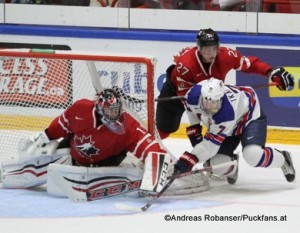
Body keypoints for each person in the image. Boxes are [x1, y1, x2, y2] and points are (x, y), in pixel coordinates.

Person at [0, 88, 207, 198]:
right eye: (109, 111)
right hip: (75, 152)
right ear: (99, 108)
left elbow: (149, 145)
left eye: (116, 110)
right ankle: (10, 173)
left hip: (105, 162)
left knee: (131, 168)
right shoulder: (81, 109)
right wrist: (44, 137)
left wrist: (158, 168)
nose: (114, 115)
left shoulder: (128, 126)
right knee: (42, 160)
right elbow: (60, 126)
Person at [156, 28, 295, 146]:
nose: (211, 53)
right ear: (198, 48)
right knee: (164, 129)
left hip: (210, 97)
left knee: (219, 128)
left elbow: (249, 64)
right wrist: (194, 126)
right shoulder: (185, 65)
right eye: (207, 50)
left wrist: (270, 71)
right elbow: (187, 99)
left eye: (214, 48)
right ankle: (148, 152)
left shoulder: (226, 56)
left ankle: (225, 158)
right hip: (175, 94)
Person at [174, 78, 295, 184]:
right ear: (201, 97)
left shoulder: (226, 113)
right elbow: (191, 110)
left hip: (248, 116)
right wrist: (194, 127)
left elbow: (210, 146)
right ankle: (232, 162)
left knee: (253, 156)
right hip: (229, 124)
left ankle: (283, 158)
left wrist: (189, 159)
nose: (210, 107)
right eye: (207, 102)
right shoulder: (192, 96)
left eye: (214, 103)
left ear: (221, 99)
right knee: (217, 166)